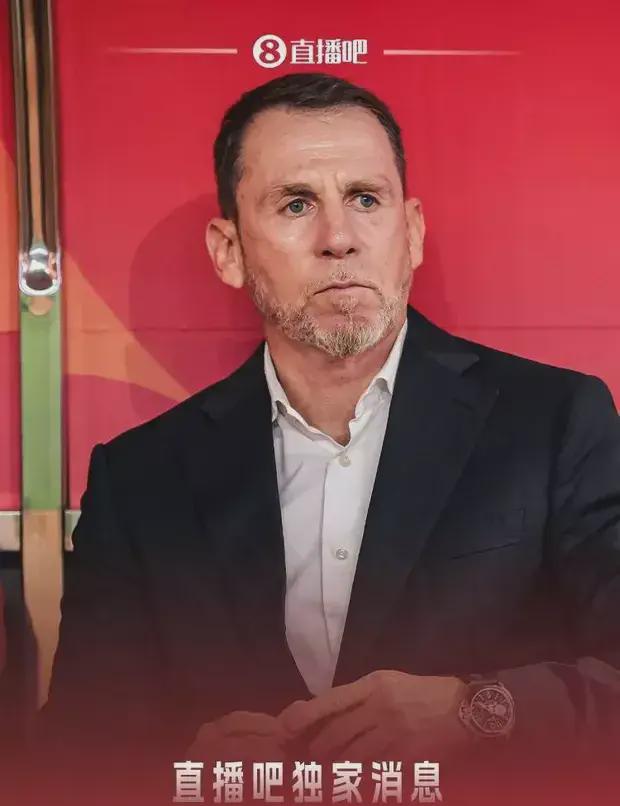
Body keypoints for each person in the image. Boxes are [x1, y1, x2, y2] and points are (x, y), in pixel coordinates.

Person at [42, 72, 620, 769]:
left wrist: (476, 713)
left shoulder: (554, 424)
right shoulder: (140, 478)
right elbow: (77, 747)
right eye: (296, 204)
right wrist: (180, 767)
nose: (338, 238)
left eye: (366, 199)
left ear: (412, 232)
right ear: (229, 251)